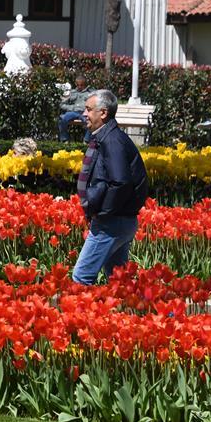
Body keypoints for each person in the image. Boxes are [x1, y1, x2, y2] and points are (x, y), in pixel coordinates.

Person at [72, 89, 149, 285]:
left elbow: (121, 182)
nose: (84, 114)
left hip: (112, 222)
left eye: (88, 109)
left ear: (103, 113)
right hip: (121, 220)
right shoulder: (106, 137)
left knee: (81, 277)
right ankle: (155, 315)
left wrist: (103, 212)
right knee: (119, 282)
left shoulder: (112, 141)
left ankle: (80, 316)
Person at [58, 73, 93, 142]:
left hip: (84, 113)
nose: (79, 87)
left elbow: (94, 104)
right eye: (78, 85)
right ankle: (65, 140)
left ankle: (86, 140)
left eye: (81, 85)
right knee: (62, 119)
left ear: (85, 84)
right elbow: (62, 104)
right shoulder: (71, 93)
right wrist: (72, 108)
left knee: (91, 121)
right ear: (75, 84)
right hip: (73, 112)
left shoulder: (90, 93)